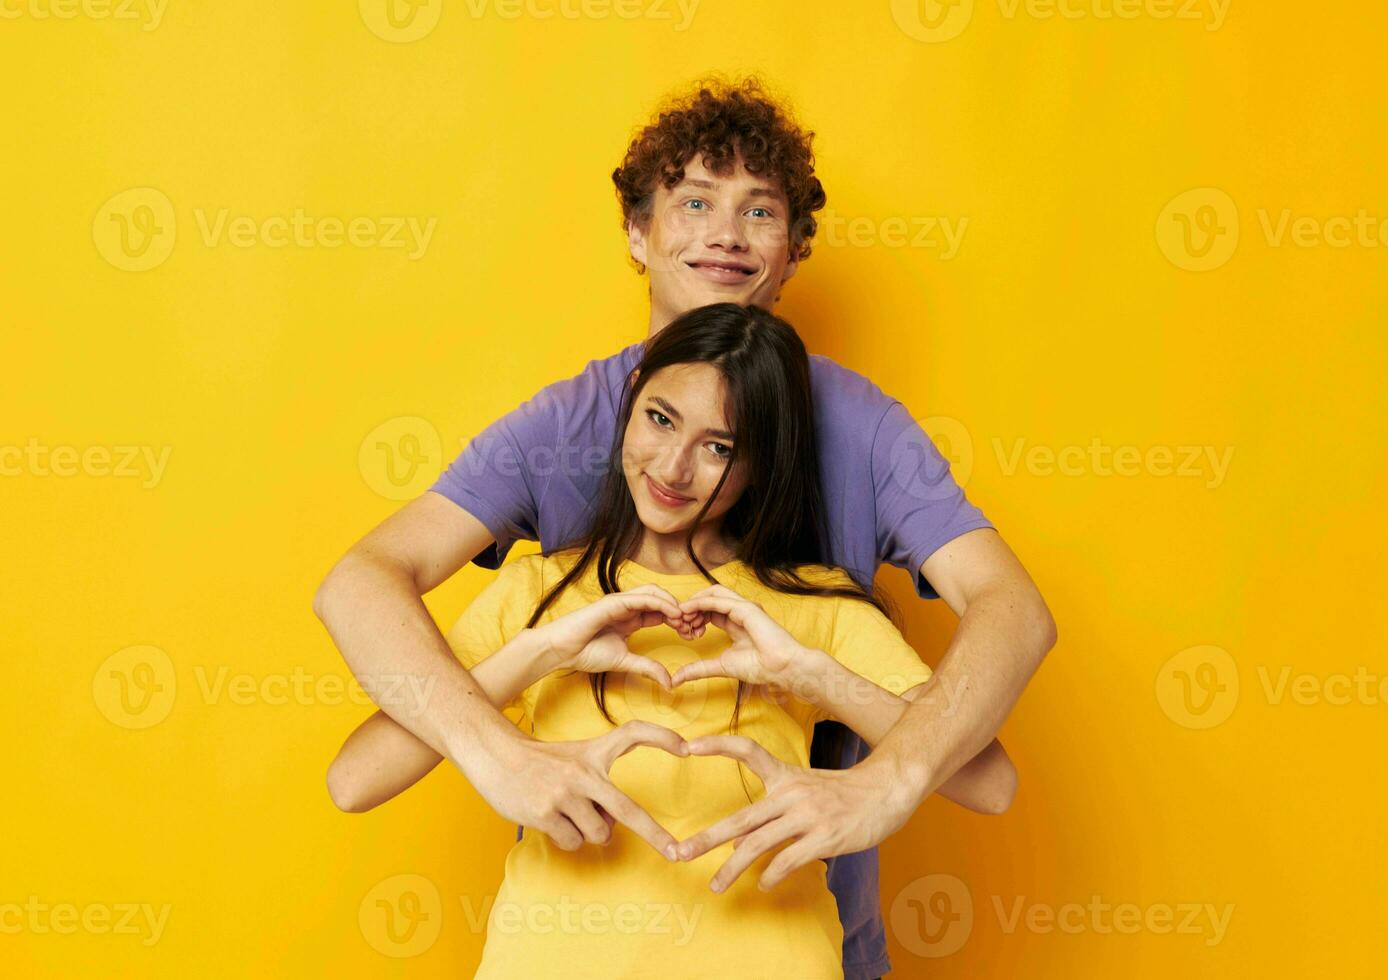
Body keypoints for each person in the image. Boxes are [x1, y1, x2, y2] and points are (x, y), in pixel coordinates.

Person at [314, 76, 1056, 980]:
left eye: (760, 211)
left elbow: (1011, 618)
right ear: (637, 230)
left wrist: (883, 773)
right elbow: (361, 589)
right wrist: (499, 745)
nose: (725, 235)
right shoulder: (557, 475)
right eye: (694, 201)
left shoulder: (853, 466)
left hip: (797, 934)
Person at [327, 304, 1019, 978]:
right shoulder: (534, 593)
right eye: (660, 419)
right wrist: (538, 653)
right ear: (630, 401)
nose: (674, 466)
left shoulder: (818, 605)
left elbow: (987, 781)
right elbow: (356, 780)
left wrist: (813, 676)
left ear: (760, 465)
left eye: (719, 447)